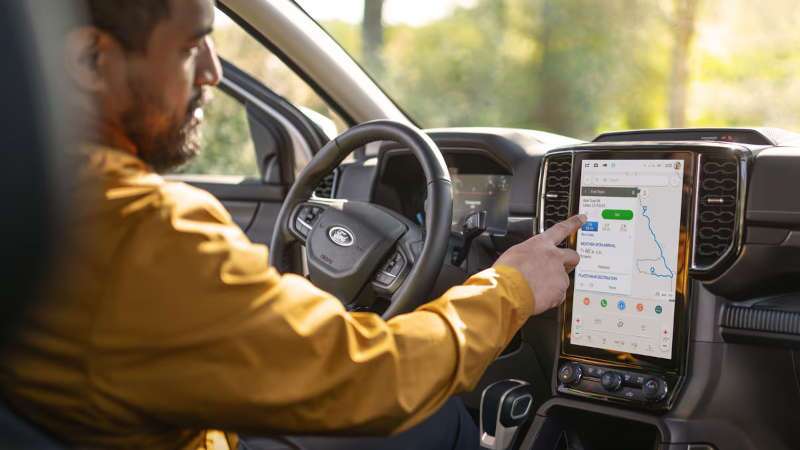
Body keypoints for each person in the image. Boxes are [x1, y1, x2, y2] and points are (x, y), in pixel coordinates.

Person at [0, 0, 584, 449]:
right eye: (191, 48)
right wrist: (512, 287)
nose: (212, 73)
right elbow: (374, 378)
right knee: (441, 424)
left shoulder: (46, 197)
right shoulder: (138, 230)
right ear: (91, 61)